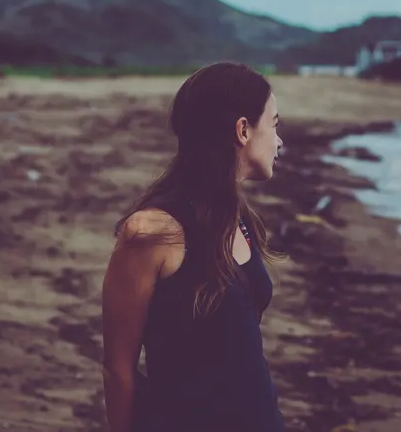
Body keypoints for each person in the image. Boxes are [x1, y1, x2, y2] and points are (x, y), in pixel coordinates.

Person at [101, 62, 286, 432]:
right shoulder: (151, 232)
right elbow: (119, 369)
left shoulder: (238, 219)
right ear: (243, 130)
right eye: (275, 123)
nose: (280, 141)